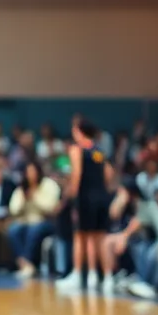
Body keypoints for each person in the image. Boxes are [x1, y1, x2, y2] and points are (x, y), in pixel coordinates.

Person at [58, 118, 114, 292]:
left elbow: (77, 174)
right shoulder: (99, 150)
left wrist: (72, 198)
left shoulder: (77, 149)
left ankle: (79, 275)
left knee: (80, 236)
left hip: (85, 198)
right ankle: (105, 278)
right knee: (100, 237)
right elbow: (109, 173)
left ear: (79, 131)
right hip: (101, 197)